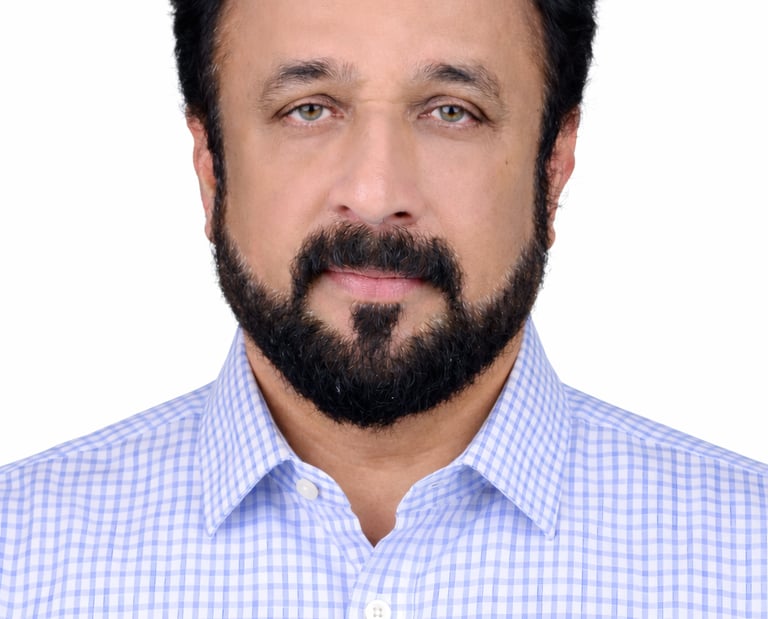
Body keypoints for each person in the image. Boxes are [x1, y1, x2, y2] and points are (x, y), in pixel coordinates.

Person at [1, 1, 766, 616]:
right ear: (209, 166)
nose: (375, 196)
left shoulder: (749, 560)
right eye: (308, 109)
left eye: (452, 111)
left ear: (555, 166)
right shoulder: (17, 554)